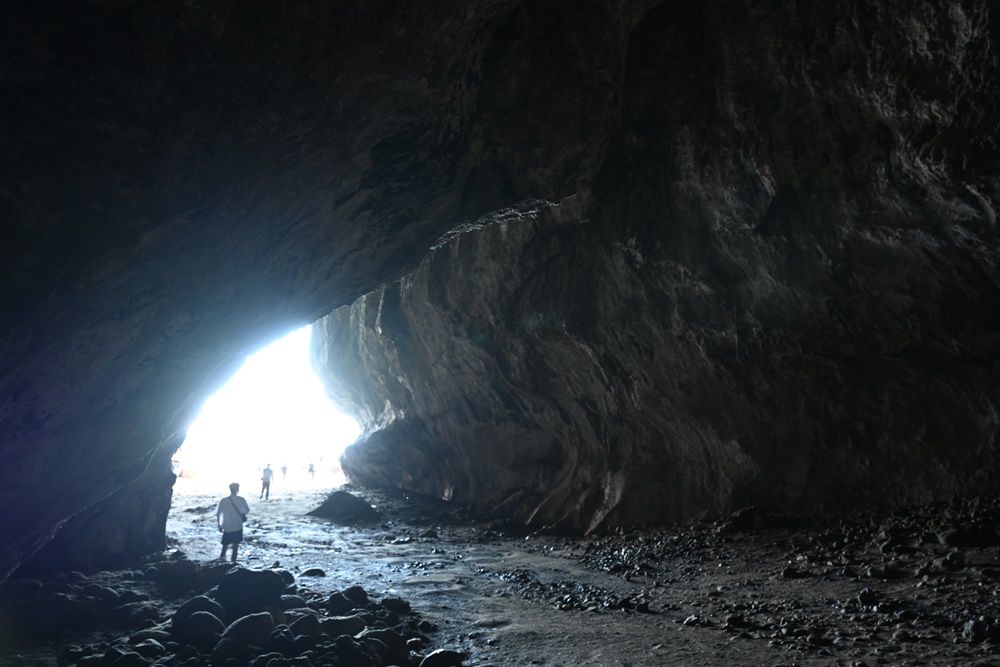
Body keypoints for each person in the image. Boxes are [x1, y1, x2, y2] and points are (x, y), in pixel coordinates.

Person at [217, 482, 250, 563]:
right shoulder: (241, 499)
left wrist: (219, 526)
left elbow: (219, 514)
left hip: (227, 526)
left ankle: (222, 563)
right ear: (238, 489)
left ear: (230, 489)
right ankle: (233, 563)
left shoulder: (224, 501)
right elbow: (246, 511)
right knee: (235, 548)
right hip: (237, 526)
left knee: (225, 547)